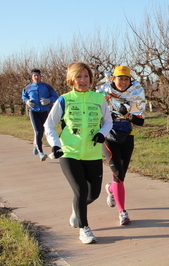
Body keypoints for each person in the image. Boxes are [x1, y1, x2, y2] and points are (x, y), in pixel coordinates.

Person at [44, 62, 112, 244]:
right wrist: (55, 145)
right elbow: (49, 125)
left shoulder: (99, 99)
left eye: (86, 76)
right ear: (71, 80)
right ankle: (84, 229)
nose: (83, 80)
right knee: (81, 190)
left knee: (93, 194)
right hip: (69, 152)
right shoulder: (64, 100)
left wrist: (101, 134)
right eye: (79, 77)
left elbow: (108, 122)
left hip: (92, 153)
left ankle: (77, 210)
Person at [96, 66, 146, 226]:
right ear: (113, 79)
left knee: (121, 175)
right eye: (120, 78)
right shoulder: (103, 94)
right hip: (108, 136)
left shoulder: (134, 94)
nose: (123, 82)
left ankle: (111, 189)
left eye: (126, 79)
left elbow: (140, 121)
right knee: (117, 172)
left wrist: (128, 115)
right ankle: (122, 212)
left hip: (127, 136)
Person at [22, 69, 58, 161]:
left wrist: (48, 100)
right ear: (32, 77)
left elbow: (55, 96)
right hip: (34, 112)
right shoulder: (28, 87)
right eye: (34, 76)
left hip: (45, 112)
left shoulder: (47, 87)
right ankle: (41, 153)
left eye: (38, 75)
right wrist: (27, 101)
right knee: (38, 131)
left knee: (45, 131)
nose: (36, 77)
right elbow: (24, 96)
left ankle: (36, 145)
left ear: (40, 76)